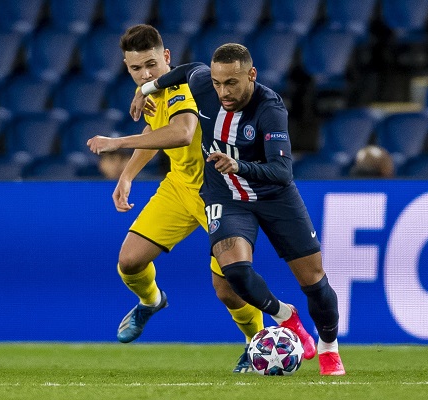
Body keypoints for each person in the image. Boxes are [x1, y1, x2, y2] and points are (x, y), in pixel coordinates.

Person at [124, 43, 345, 376]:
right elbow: (187, 70)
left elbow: (282, 171)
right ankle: (285, 316)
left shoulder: (269, 109)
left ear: (251, 75)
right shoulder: (203, 83)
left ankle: (330, 346)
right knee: (235, 272)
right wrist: (147, 88)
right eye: (217, 83)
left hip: (274, 196)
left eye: (231, 83)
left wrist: (239, 166)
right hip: (225, 195)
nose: (223, 91)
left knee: (314, 281)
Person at [87, 25, 274, 373]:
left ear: (167, 58)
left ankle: (256, 343)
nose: (144, 74)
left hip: (222, 191)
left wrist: (117, 143)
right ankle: (151, 301)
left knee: (228, 288)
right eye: (135, 68)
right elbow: (154, 131)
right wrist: (127, 175)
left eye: (151, 64)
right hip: (180, 187)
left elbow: (181, 132)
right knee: (129, 261)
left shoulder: (185, 87)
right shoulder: (153, 92)